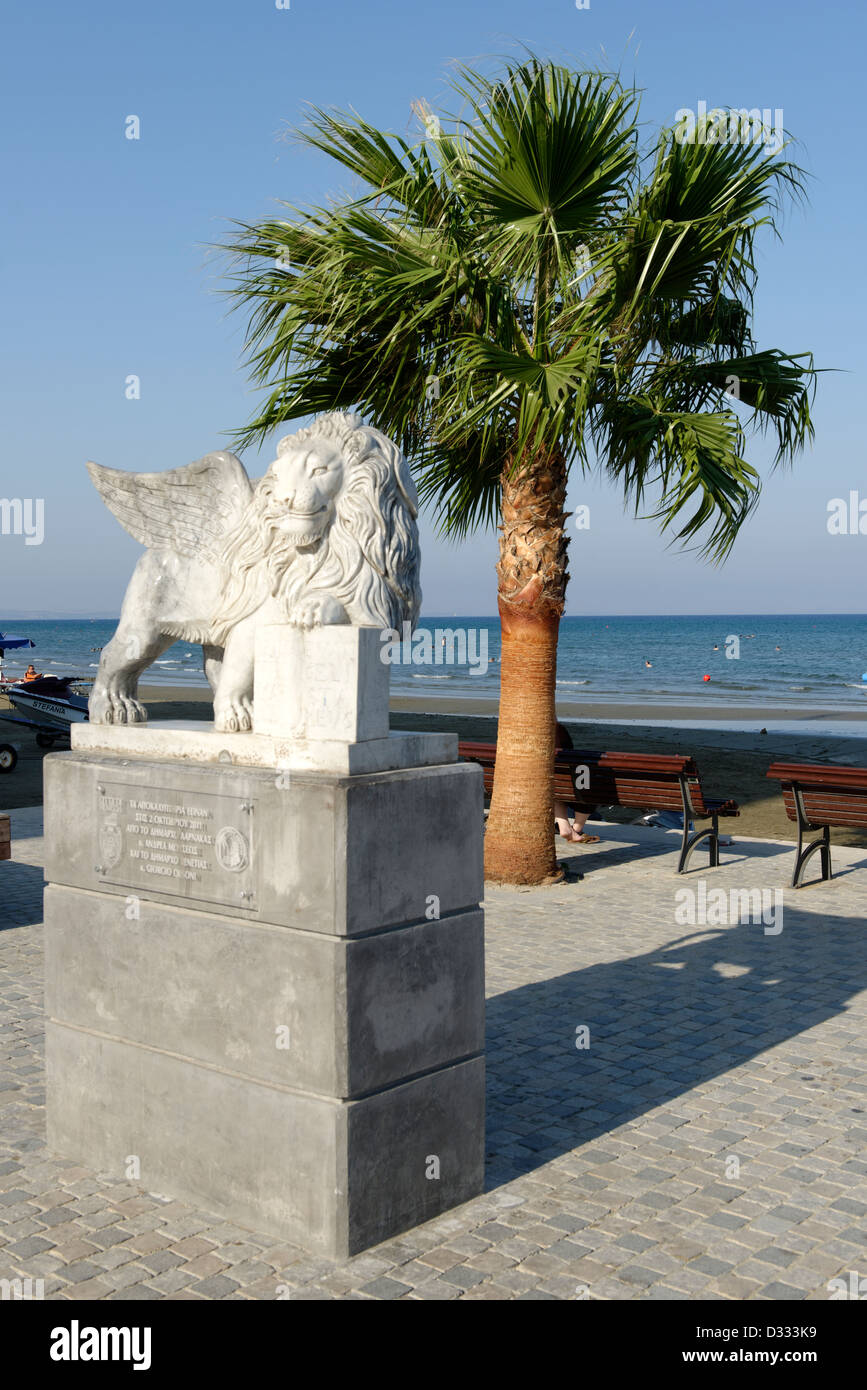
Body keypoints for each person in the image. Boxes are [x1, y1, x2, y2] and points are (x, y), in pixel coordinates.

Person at [553, 721, 600, 844]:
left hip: (549, 789)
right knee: (589, 787)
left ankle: (563, 825)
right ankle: (577, 828)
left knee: (554, 787)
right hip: (572, 793)